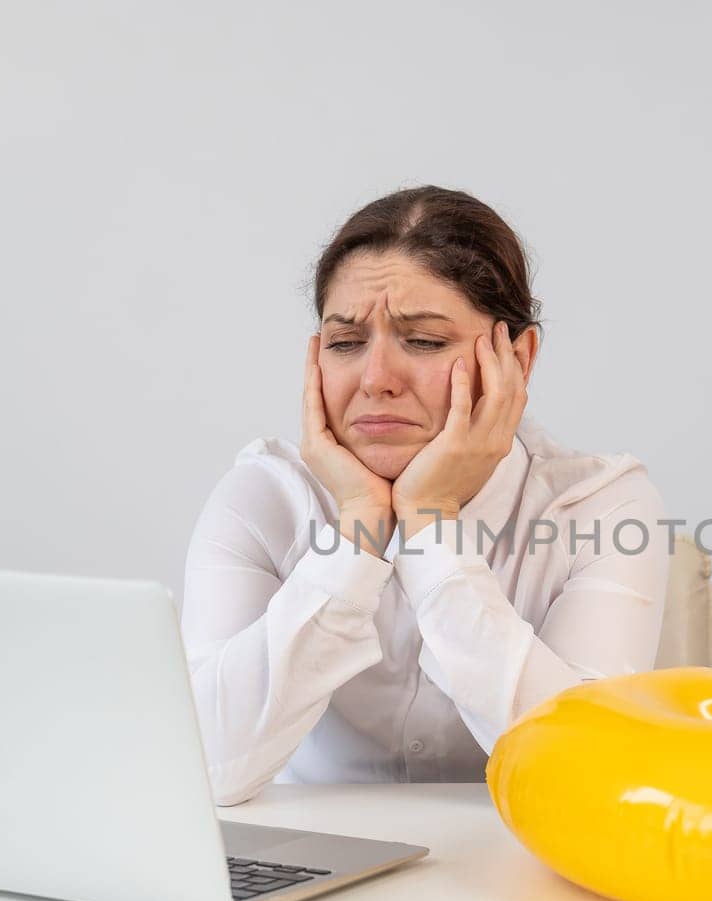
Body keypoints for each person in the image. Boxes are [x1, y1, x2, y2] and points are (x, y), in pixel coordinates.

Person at [180, 186, 670, 804]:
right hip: (312, 872)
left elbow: (588, 772)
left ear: (517, 358)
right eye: (345, 343)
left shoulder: (601, 505)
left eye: (426, 342)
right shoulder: (263, 497)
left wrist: (431, 527)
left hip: (517, 873)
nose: (377, 380)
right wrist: (359, 528)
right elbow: (206, 769)